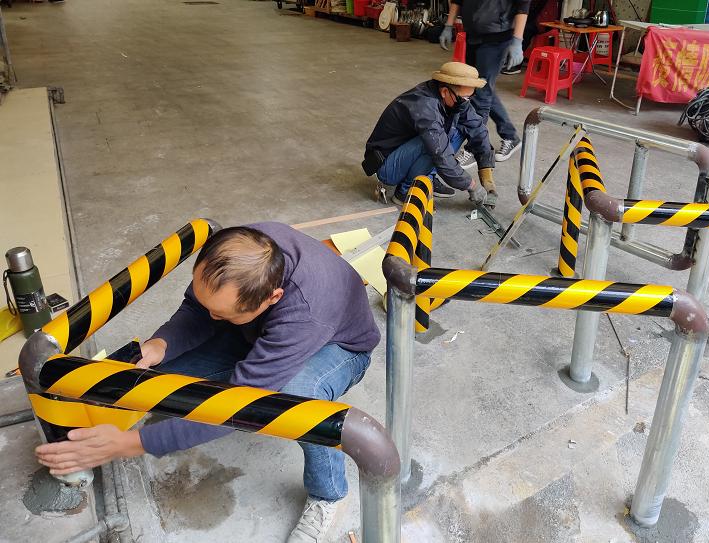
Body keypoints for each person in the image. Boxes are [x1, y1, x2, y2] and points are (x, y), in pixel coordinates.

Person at [35, 223, 381, 543]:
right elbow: (197, 312)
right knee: (162, 370)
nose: (213, 315)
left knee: (298, 397)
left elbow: (237, 406)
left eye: (222, 313)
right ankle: (99, 426)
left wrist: (131, 443)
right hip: (259, 330)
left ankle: (329, 495)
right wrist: (162, 343)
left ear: (271, 298)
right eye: (212, 307)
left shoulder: (304, 312)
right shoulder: (235, 251)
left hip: (340, 348)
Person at [364, 61, 498, 209]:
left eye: (470, 97)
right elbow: (440, 153)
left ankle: (427, 175)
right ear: (445, 92)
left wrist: (487, 178)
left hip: (405, 150)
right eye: (465, 98)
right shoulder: (425, 105)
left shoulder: (455, 98)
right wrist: (471, 186)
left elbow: (478, 129)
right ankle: (405, 191)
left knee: (461, 128)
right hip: (386, 164)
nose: (467, 102)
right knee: (434, 142)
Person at [439, 0, 529, 167]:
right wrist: (449, 25)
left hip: (498, 37)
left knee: (481, 93)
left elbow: (523, 5)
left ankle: (475, 149)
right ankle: (510, 135)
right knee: (479, 88)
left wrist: (517, 41)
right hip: (474, 35)